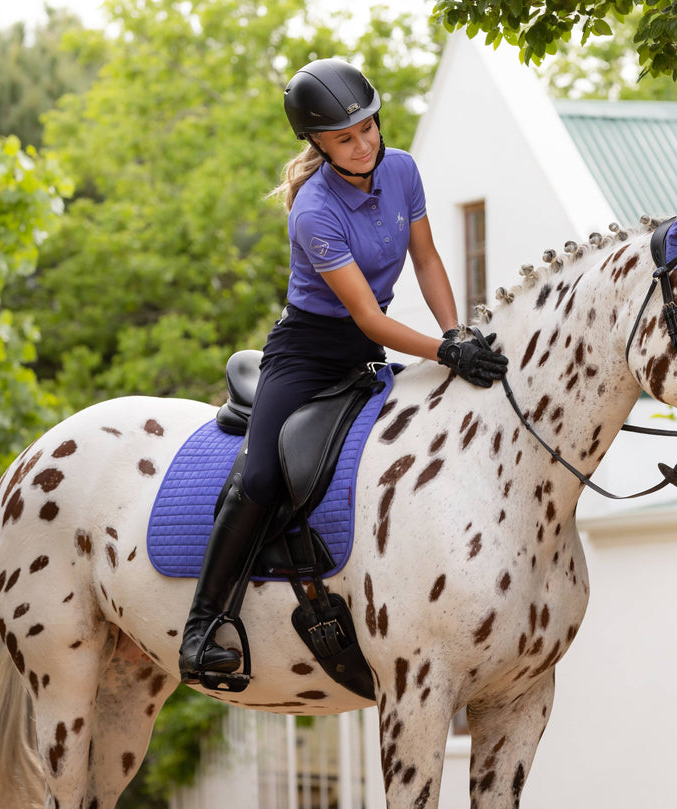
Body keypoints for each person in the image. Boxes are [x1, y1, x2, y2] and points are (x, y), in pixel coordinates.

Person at [178, 57, 508, 685]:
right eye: (344, 138)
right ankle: (200, 628)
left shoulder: (402, 169)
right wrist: (443, 354)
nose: (363, 145)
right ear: (318, 145)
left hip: (364, 351)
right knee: (263, 473)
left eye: (368, 129)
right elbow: (369, 318)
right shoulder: (313, 211)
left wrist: (455, 333)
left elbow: (427, 259)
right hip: (307, 353)